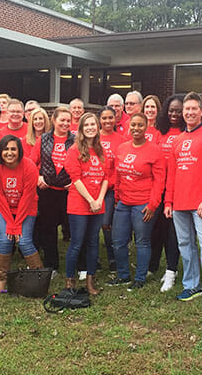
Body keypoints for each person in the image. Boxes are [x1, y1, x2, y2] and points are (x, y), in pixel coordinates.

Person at [164, 92, 202, 311]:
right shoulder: (178, 140)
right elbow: (172, 173)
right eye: (186, 109)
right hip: (179, 203)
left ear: (201, 111)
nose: (189, 113)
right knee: (185, 245)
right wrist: (168, 201)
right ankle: (192, 285)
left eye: (193, 109)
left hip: (201, 204)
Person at [109, 113, 165, 291]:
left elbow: (159, 180)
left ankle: (140, 277)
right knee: (118, 241)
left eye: (140, 125)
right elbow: (118, 175)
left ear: (146, 127)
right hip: (123, 203)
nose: (136, 128)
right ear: (128, 126)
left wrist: (153, 205)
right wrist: (117, 197)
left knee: (142, 241)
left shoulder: (155, 150)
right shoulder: (123, 148)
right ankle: (123, 275)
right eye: (133, 125)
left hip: (143, 204)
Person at [0, 135, 44, 293]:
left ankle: (40, 277)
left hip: (26, 207)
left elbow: (27, 197)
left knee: (24, 241)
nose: (9, 152)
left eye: (13, 149)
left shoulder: (29, 167)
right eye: (6, 149)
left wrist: (17, 224)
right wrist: (11, 225)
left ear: (19, 151)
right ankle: (1, 279)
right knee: (5, 240)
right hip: (3, 207)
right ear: (0, 151)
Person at [64, 113, 110, 295]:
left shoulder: (101, 150)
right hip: (79, 204)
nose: (91, 127)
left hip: (98, 204)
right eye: (87, 125)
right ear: (81, 129)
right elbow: (75, 179)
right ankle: (70, 281)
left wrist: (99, 200)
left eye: (93, 124)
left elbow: (106, 177)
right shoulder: (74, 150)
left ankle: (90, 281)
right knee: (76, 243)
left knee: (93, 243)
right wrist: (91, 200)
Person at [31, 107, 75, 276]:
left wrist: (75, 181)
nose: (65, 123)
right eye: (62, 120)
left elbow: (84, 162)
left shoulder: (76, 140)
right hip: (47, 191)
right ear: (54, 121)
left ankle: (78, 264)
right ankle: (52, 265)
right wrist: (37, 177)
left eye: (68, 120)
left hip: (68, 192)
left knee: (72, 228)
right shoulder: (43, 139)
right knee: (48, 229)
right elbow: (31, 163)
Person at [151, 94, 184, 292]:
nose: (174, 114)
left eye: (178, 111)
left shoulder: (186, 132)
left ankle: (172, 270)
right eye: (171, 110)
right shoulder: (158, 132)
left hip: (178, 188)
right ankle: (153, 265)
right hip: (158, 187)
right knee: (156, 229)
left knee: (173, 232)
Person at [98, 107, 127, 272]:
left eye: (111, 118)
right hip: (93, 188)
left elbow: (120, 168)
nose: (108, 121)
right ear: (99, 120)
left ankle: (112, 258)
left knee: (106, 224)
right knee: (92, 226)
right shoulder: (94, 137)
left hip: (110, 189)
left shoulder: (122, 140)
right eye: (104, 118)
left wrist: (115, 187)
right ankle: (93, 259)